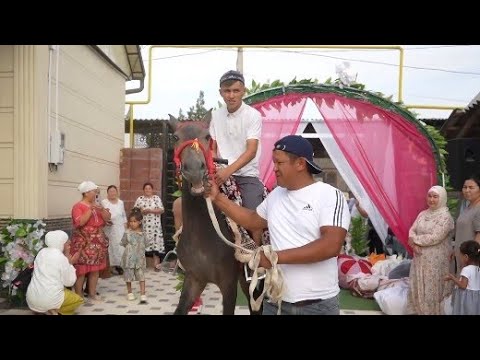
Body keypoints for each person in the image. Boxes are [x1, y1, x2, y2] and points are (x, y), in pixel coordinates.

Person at [205, 135, 350, 315]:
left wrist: (274, 257)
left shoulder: (329, 195)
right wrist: (217, 197)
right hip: (275, 301)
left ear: (300, 164)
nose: (274, 168)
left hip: (316, 305)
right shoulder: (276, 195)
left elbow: (331, 246)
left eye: (279, 163)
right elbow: (252, 220)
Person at [209, 70, 265, 246]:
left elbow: (251, 151)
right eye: (227, 91)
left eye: (235, 90)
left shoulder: (252, 115)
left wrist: (228, 171)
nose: (231, 95)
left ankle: (257, 260)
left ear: (243, 91)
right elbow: (212, 148)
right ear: (220, 92)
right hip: (219, 174)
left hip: (246, 175)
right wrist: (214, 171)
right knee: (187, 205)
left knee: (254, 216)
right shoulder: (215, 115)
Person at [406, 185, 454, 315]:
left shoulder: (446, 217)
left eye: (435, 196)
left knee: (432, 288)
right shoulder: (423, 214)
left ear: (442, 198)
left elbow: (435, 237)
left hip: (436, 263)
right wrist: (413, 242)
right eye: (430, 196)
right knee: (418, 286)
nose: (431, 199)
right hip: (419, 259)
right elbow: (412, 230)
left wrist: (415, 240)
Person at [26, 230, 84, 315]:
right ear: (61, 243)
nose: (69, 245)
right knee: (78, 300)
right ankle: (55, 311)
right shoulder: (60, 257)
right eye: (67, 244)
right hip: (49, 299)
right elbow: (69, 282)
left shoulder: (41, 253)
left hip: (31, 299)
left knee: (55, 288)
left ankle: (44, 309)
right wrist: (70, 264)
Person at [71, 180, 111, 303]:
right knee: (81, 270)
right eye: (94, 191)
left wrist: (102, 209)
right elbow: (80, 222)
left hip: (97, 240)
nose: (96, 194)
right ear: (86, 193)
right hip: (83, 241)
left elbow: (107, 219)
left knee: (95, 269)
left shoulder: (98, 205)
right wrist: (90, 209)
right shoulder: (78, 206)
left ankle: (92, 294)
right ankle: (79, 295)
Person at [134, 182, 165, 271]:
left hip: (155, 227)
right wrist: (142, 212)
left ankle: (156, 265)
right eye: (146, 189)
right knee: (142, 246)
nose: (148, 190)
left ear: (152, 190)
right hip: (144, 227)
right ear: (143, 190)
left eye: (149, 188)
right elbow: (135, 211)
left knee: (156, 246)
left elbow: (162, 209)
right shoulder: (140, 199)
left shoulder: (156, 198)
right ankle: (141, 266)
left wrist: (151, 210)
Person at [444, 240, 480, 315]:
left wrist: (452, 277)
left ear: (466, 257)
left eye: (460, 256)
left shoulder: (466, 269)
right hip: (476, 298)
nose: (459, 258)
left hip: (467, 299)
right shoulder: (477, 268)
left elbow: (463, 285)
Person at [454, 174, 480, 275]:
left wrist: (470, 257)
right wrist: (455, 250)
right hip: (463, 256)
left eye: (471, 187)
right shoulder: (468, 207)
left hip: (471, 258)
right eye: (465, 187)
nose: (467, 190)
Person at [121, 209, 147, 303]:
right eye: (130, 221)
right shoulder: (127, 233)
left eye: (134, 221)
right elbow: (123, 243)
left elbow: (146, 244)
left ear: (139, 222)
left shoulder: (143, 234)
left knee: (141, 276)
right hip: (128, 259)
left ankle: (143, 294)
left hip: (140, 259)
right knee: (128, 275)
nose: (132, 223)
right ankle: (130, 292)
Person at [102, 185, 127, 275]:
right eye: (110, 191)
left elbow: (123, 215)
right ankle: (112, 267)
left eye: (114, 191)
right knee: (111, 247)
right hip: (109, 228)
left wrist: (125, 226)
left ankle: (121, 266)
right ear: (108, 193)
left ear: (117, 192)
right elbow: (101, 215)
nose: (112, 193)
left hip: (120, 227)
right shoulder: (104, 202)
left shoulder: (120, 202)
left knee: (121, 247)